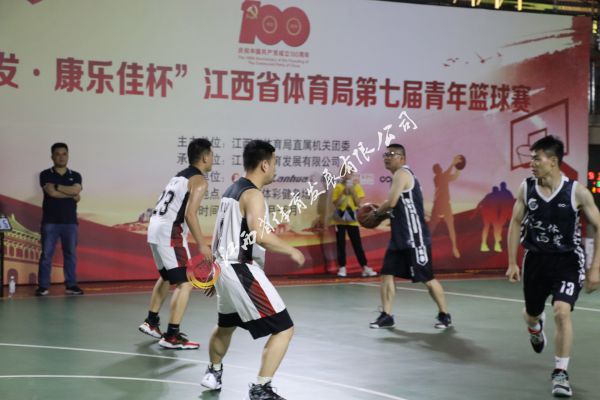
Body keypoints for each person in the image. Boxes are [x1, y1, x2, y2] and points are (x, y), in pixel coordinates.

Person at [200, 140, 305, 400]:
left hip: (223, 268)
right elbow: (260, 235)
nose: (275, 169)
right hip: (241, 270)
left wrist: (214, 271)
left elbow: (220, 234)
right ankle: (261, 387)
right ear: (265, 164)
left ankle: (213, 373)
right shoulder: (253, 195)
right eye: (275, 163)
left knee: (226, 325)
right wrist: (292, 250)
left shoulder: (231, 191)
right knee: (284, 328)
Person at [506, 135, 600, 398]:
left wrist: (595, 268)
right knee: (531, 314)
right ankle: (535, 327)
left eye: (537, 159)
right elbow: (515, 222)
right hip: (536, 260)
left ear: (553, 161)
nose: (531, 163)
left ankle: (560, 372)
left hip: (567, 260)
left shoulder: (577, 192)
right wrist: (512, 261)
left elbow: (599, 225)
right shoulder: (527, 188)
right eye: (532, 159)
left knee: (562, 312)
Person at [138, 138, 214, 350]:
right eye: (212, 155)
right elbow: (190, 214)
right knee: (186, 283)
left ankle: (151, 322)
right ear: (205, 157)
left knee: (167, 276)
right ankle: (172, 336)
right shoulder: (199, 181)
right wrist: (202, 245)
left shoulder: (178, 176)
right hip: (170, 233)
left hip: (155, 229)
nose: (212, 159)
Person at [365, 144, 452, 329]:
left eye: (392, 155)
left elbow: (392, 202)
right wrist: (384, 214)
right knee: (386, 275)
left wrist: (375, 213)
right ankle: (387, 315)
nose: (387, 157)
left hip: (415, 237)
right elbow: (399, 206)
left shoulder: (402, 174)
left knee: (427, 278)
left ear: (402, 158)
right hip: (399, 237)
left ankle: (444, 315)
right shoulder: (399, 176)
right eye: (385, 155)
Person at [36, 142, 84, 296]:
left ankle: (71, 285)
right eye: (57, 154)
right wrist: (71, 194)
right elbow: (52, 193)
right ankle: (43, 286)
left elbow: (76, 190)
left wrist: (57, 187)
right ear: (52, 157)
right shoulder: (45, 174)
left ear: (68, 156)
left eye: (64, 154)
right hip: (50, 222)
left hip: (70, 222)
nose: (61, 157)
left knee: (70, 254)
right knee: (46, 255)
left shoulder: (76, 175)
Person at [331, 165, 377, 277]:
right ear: (342, 174)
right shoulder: (338, 187)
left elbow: (358, 203)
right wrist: (343, 192)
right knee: (341, 244)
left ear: (352, 174)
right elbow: (336, 204)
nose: (347, 175)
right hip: (340, 220)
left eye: (349, 172)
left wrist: (352, 191)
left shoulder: (357, 186)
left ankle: (365, 267)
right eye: (345, 172)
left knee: (357, 244)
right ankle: (342, 268)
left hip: (352, 220)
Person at [428, 156, 463, 258]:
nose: (440, 168)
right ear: (436, 171)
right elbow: (447, 174)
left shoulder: (444, 176)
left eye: (440, 167)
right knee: (431, 228)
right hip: (437, 205)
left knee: (451, 226)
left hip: (446, 205)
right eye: (438, 168)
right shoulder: (437, 178)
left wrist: (458, 167)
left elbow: (455, 176)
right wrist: (453, 163)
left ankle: (454, 248)